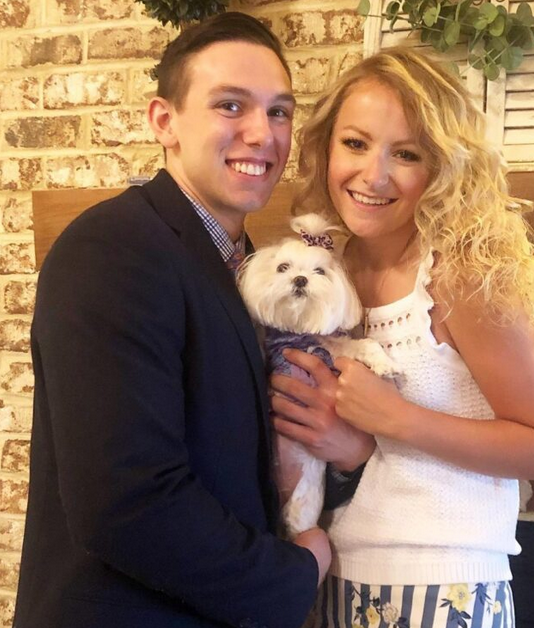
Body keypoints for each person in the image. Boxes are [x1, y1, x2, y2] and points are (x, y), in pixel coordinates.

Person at [13, 13, 333, 628]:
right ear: (164, 121)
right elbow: (127, 501)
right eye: (230, 105)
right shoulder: (112, 248)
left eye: (279, 112)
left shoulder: (248, 267)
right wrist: (292, 575)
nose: (261, 133)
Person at [270, 46, 534, 628]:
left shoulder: (459, 276)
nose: (373, 175)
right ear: (325, 147)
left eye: (406, 153)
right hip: (342, 580)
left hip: (445, 590)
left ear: (441, 167)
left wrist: (395, 418)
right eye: (355, 143)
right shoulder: (333, 270)